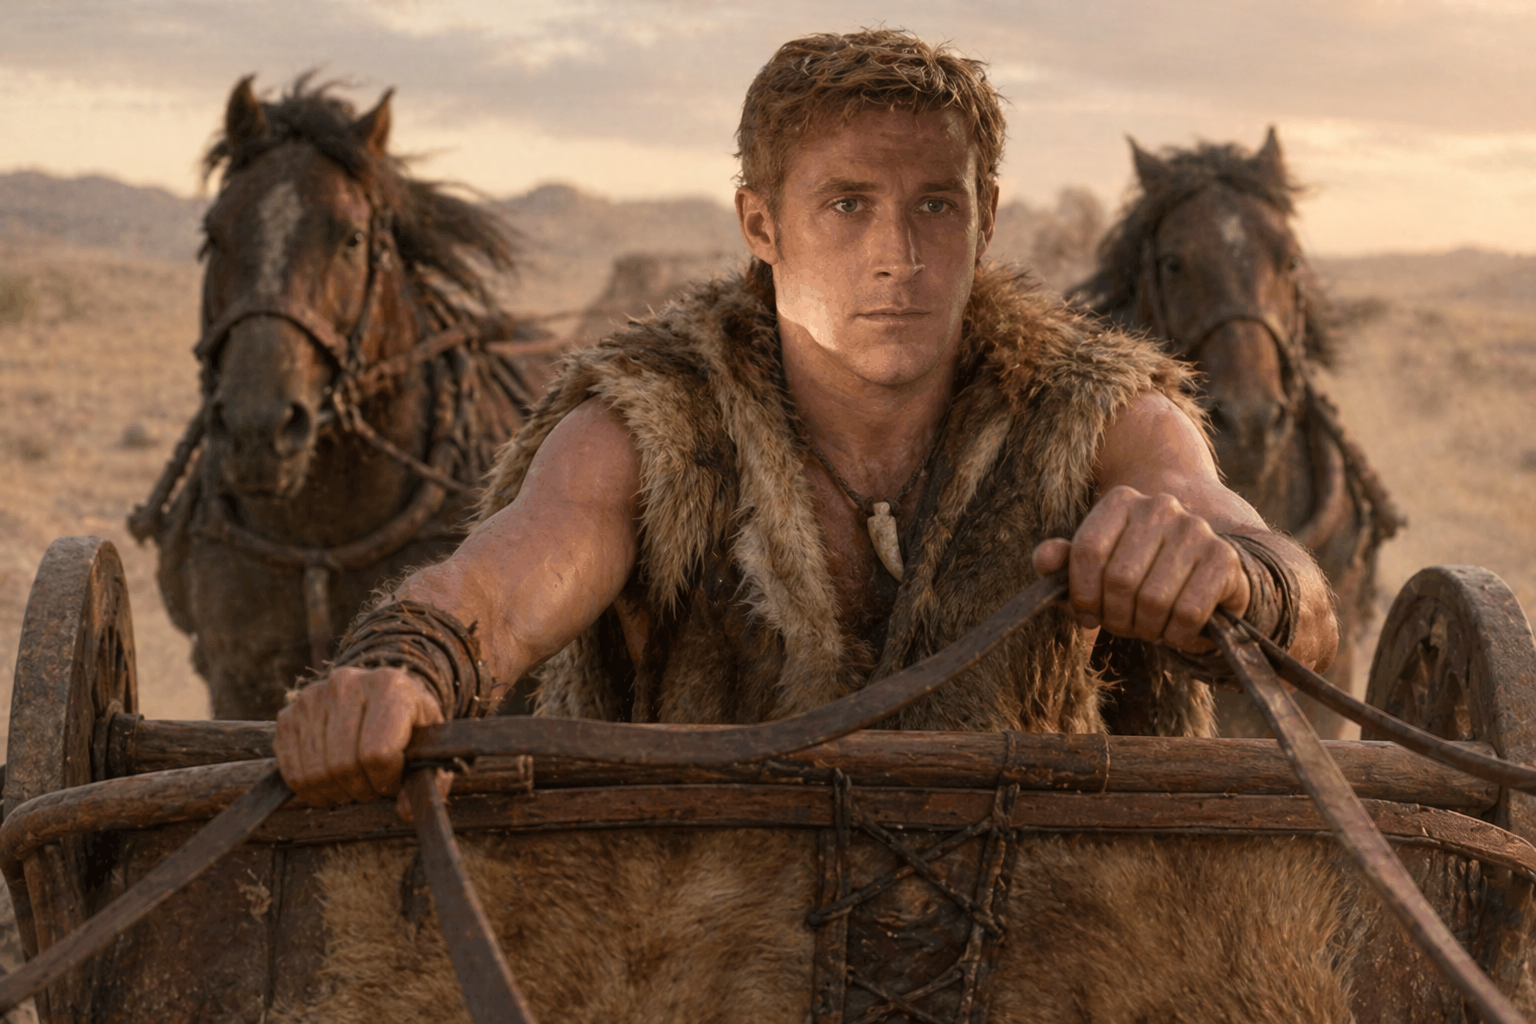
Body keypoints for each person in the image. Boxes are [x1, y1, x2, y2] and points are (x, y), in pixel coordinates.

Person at [273, 29, 1336, 814]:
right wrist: (401, 669)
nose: (897, 255)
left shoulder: (1093, 408)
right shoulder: (656, 418)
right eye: (846, 205)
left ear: (985, 222)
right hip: (706, 941)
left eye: (936, 205)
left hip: (1041, 938)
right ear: (761, 223)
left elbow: (1284, 586)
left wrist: (1229, 574)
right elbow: (506, 581)